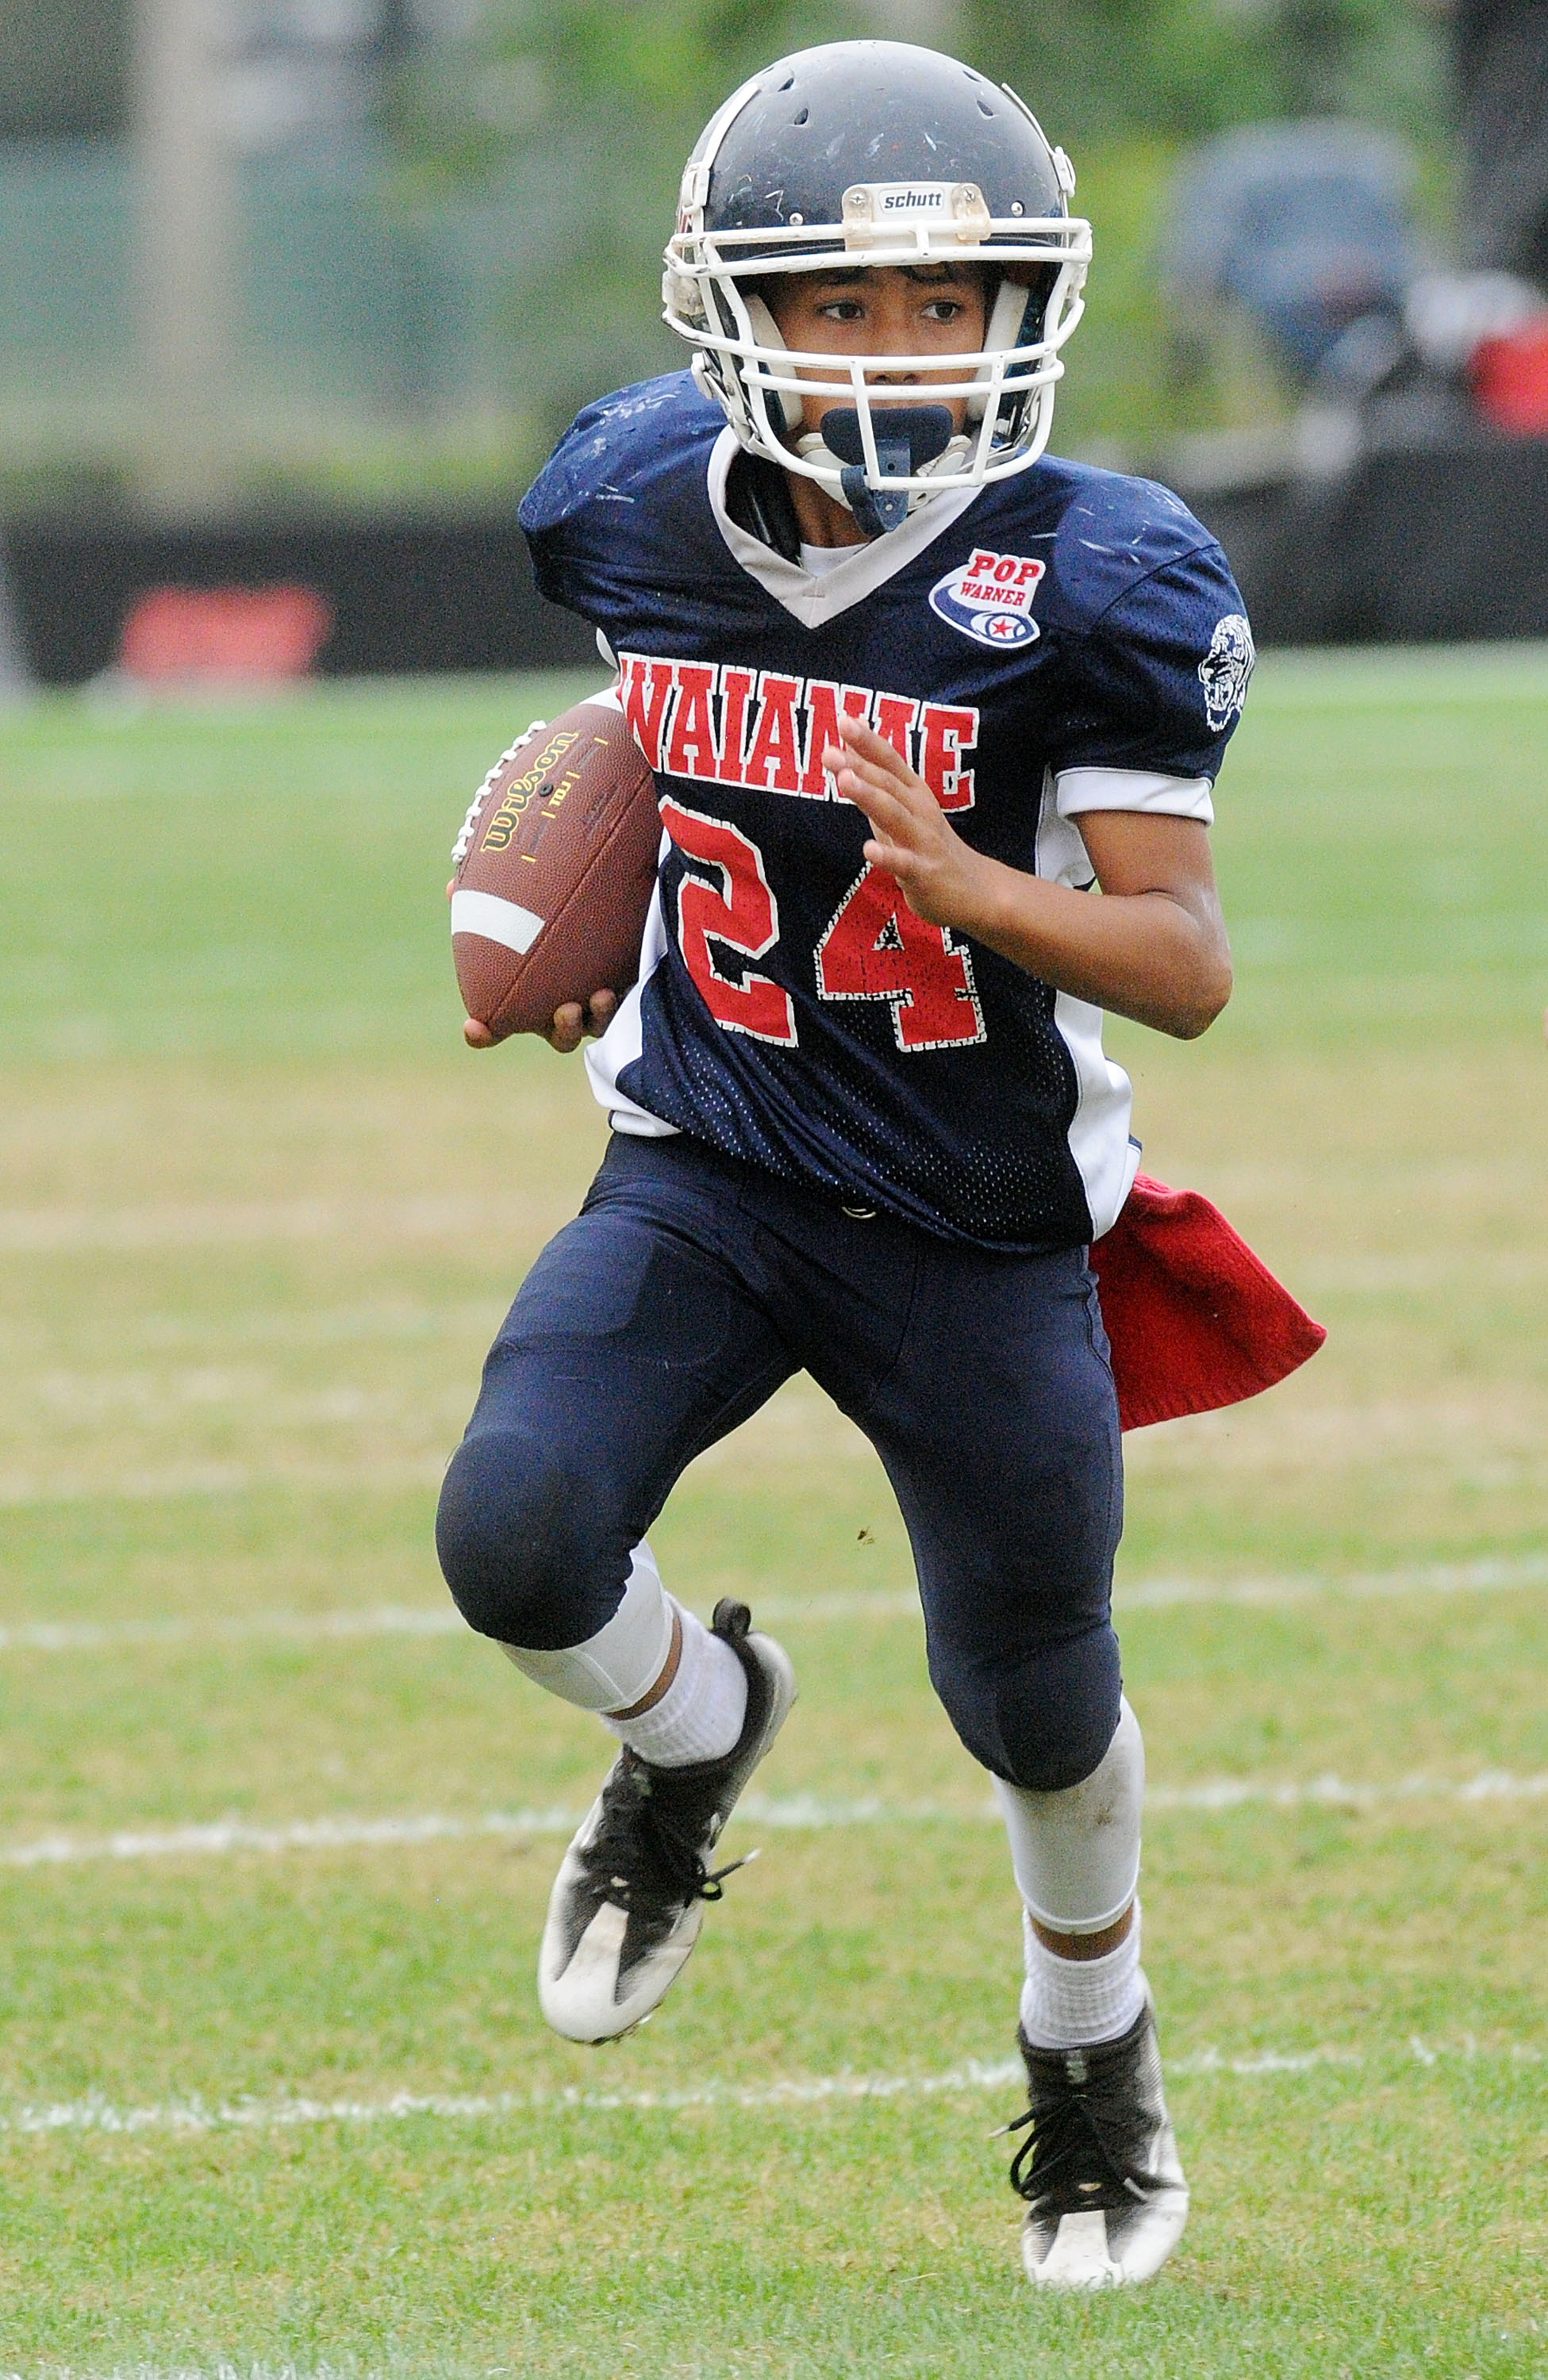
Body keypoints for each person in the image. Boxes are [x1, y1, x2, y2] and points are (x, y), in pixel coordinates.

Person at [437, 38, 1253, 2291]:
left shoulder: (1096, 576)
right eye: (842, 303)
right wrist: (585, 914)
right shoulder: (628, 501)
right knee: (516, 1536)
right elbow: (653, 737)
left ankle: (1090, 2041)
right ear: (740, 316)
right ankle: (698, 1735)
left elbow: (1185, 963)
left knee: (1035, 1704)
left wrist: (980, 895)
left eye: (946, 302)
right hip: (710, 1158)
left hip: (976, 1221)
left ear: (1020, 314)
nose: (900, 350)